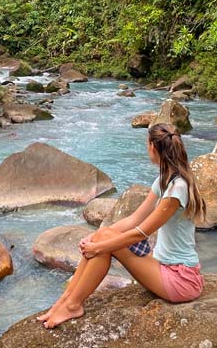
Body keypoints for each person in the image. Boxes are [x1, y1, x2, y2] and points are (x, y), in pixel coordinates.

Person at [37, 122, 206, 329]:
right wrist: (95, 237)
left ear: (153, 147)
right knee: (103, 236)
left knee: (104, 245)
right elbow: (134, 219)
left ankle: (72, 305)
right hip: (163, 265)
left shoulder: (177, 189)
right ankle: (65, 300)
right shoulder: (164, 179)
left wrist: (98, 247)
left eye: (146, 145)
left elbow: (140, 232)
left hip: (180, 279)